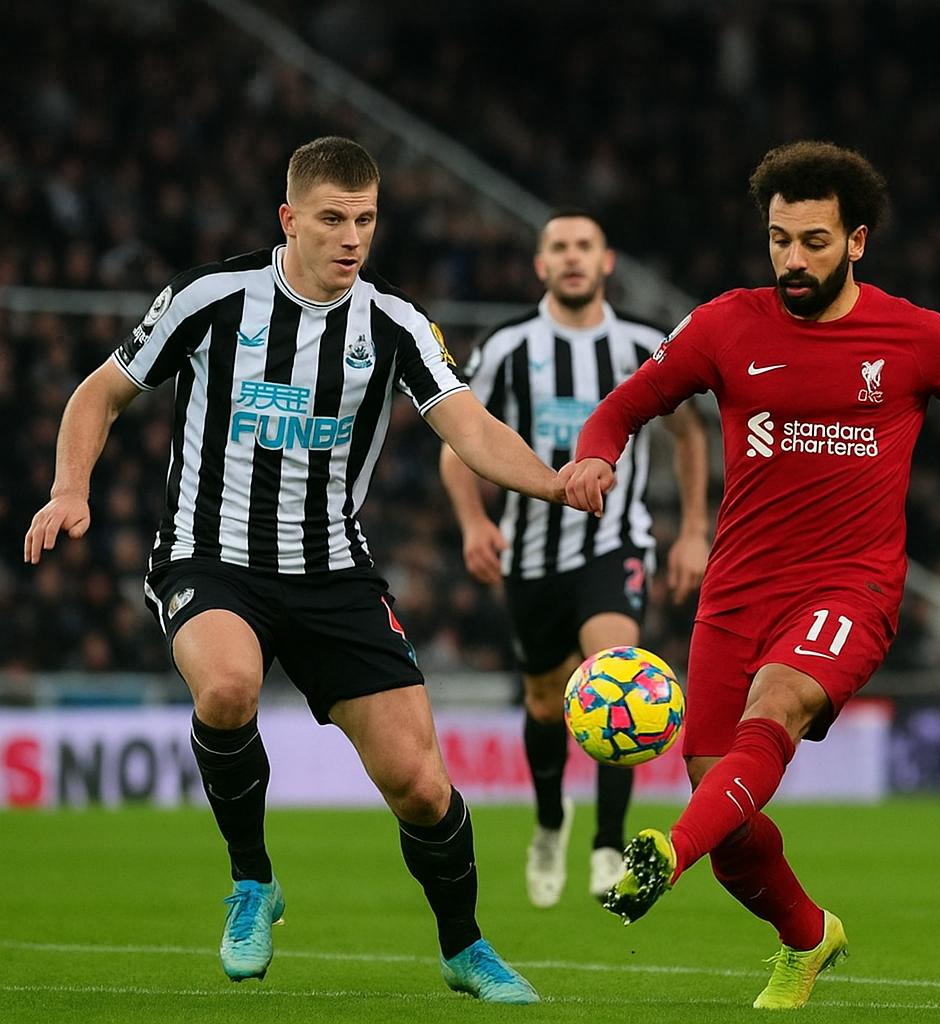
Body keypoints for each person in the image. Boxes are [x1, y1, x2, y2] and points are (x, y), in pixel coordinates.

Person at [560, 140, 940, 1009]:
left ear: (857, 241)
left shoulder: (915, 337)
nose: (792, 260)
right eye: (778, 239)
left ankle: (665, 854)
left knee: (773, 706)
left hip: (850, 588)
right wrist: (595, 455)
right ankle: (808, 937)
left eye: (813, 241)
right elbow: (625, 406)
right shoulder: (725, 325)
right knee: (723, 798)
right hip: (736, 592)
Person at [22, 136, 565, 1004]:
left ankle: (465, 948)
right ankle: (252, 882)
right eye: (332, 220)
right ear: (290, 219)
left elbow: (470, 427)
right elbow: (101, 391)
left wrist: (555, 481)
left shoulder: (393, 322)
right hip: (211, 556)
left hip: (334, 573)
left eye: (366, 220)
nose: (352, 238)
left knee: (422, 785)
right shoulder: (212, 297)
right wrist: (69, 488)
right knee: (228, 687)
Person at [440, 209, 710, 908]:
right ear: (540, 265)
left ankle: (607, 842)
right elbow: (456, 442)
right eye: (558, 247)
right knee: (542, 700)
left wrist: (691, 530)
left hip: (614, 544)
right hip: (531, 553)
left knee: (615, 675)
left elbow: (688, 437)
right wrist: (473, 522)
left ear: (606, 261)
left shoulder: (646, 345)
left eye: (583, 246)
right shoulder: (506, 346)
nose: (571, 258)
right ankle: (552, 822)